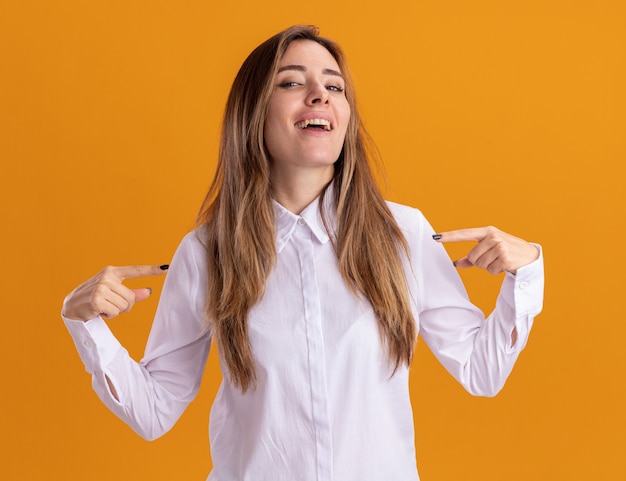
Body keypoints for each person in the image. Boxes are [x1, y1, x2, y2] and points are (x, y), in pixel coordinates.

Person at [62, 25, 543, 481]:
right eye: (292, 82)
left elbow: (482, 371)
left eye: (334, 86)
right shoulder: (209, 252)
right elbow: (154, 411)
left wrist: (525, 274)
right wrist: (86, 324)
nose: (320, 95)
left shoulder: (404, 233)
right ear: (254, 113)